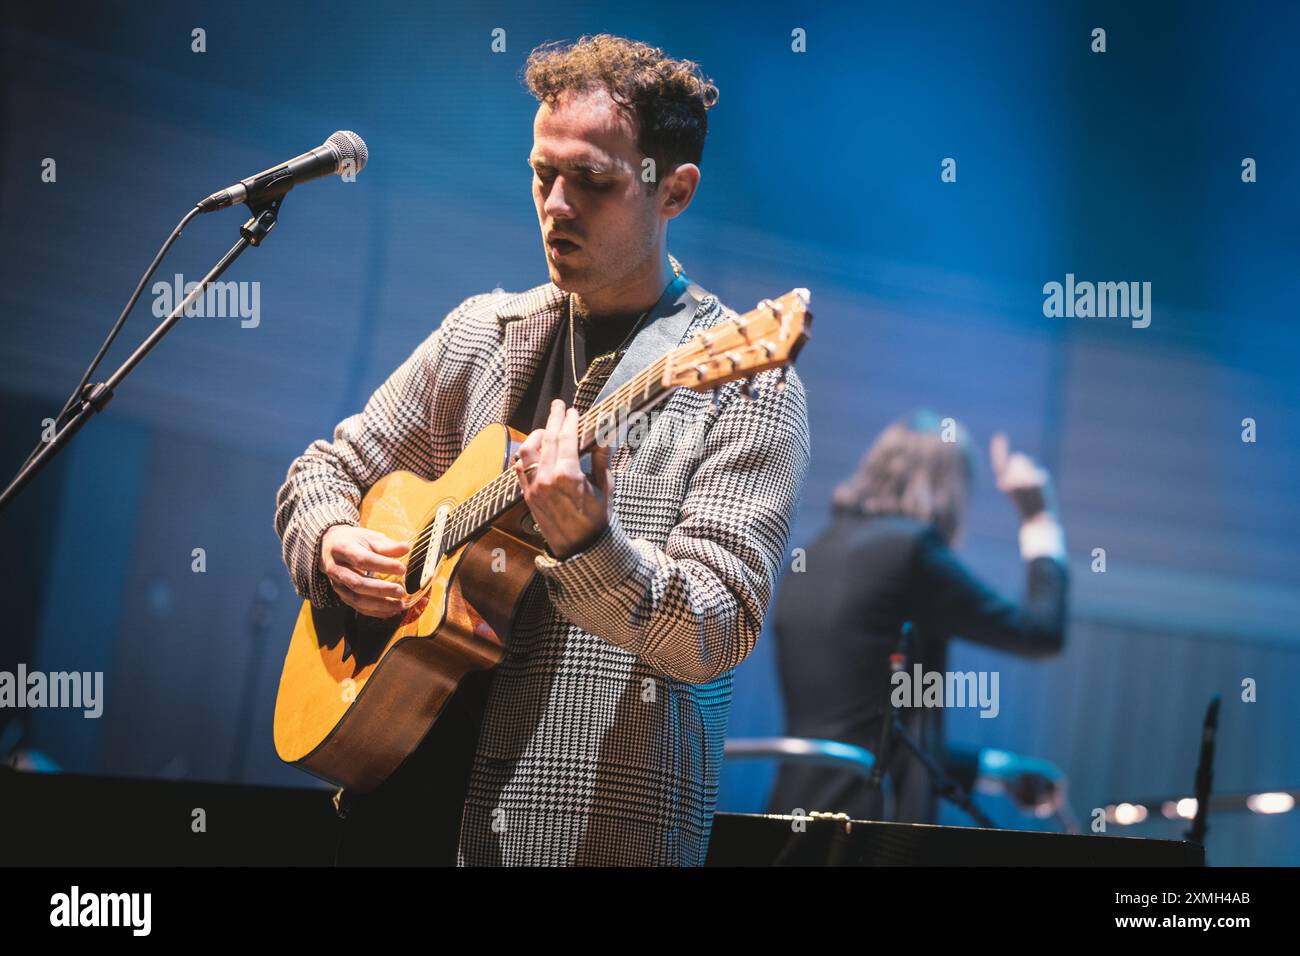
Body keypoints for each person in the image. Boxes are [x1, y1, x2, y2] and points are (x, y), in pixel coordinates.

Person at [274, 34, 810, 866]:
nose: (556, 204)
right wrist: (330, 543)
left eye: (592, 181)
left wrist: (590, 545)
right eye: (541, 175)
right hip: (397, 813)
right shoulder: (480, 334)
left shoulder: (744, 380)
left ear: (674, 190)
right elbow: (327, 469)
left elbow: (716, 630)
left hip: (585, 835)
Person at [767, 411, 1067, 824]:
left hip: (791, 821)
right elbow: (1039, 632)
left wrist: (998, 770)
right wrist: (1038, 517)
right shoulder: (911, 552)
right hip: (866, 829)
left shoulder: (814, 552)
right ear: (951, 490)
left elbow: (866, 733)